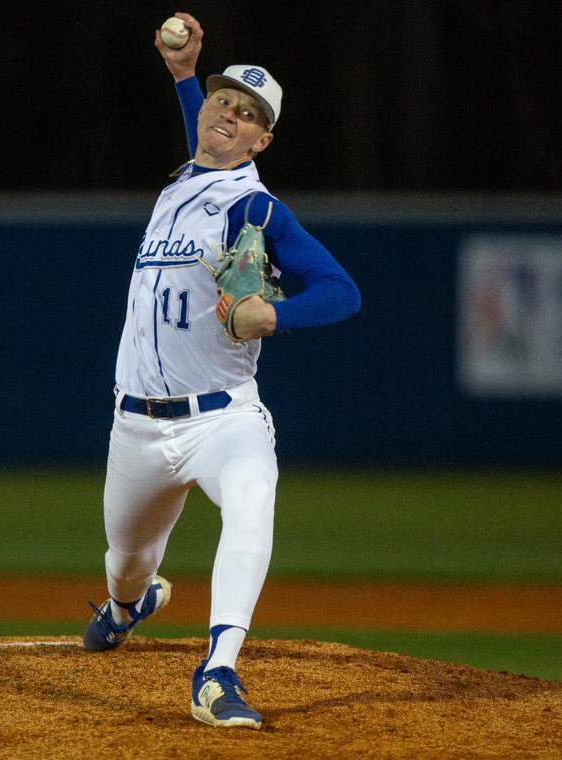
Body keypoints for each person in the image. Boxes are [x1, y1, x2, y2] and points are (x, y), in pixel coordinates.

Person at [82, 12, 360, 729]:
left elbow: (340, 290)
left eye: (248, 117)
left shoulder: (253, 207)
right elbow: (206, 152)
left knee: (253, 497)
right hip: (137, 425)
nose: (229, 118)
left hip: (222, 417)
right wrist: (182, 77)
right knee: (126, 557)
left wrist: (274, 315)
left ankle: (218, 671)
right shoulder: (184, 181)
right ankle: (128, 606)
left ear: (263, 141)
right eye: (223, 103)